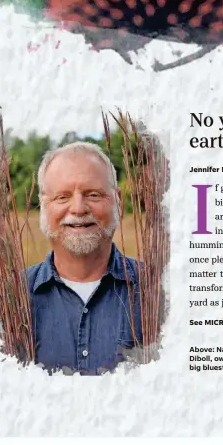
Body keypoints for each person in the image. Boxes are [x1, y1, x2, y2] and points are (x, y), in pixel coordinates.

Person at [27, 141, 142, 373]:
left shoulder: (160, 290)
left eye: (93, 194)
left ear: (117, 200)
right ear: (43, 205)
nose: (78, 208)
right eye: (62, 197)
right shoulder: (6, 297)